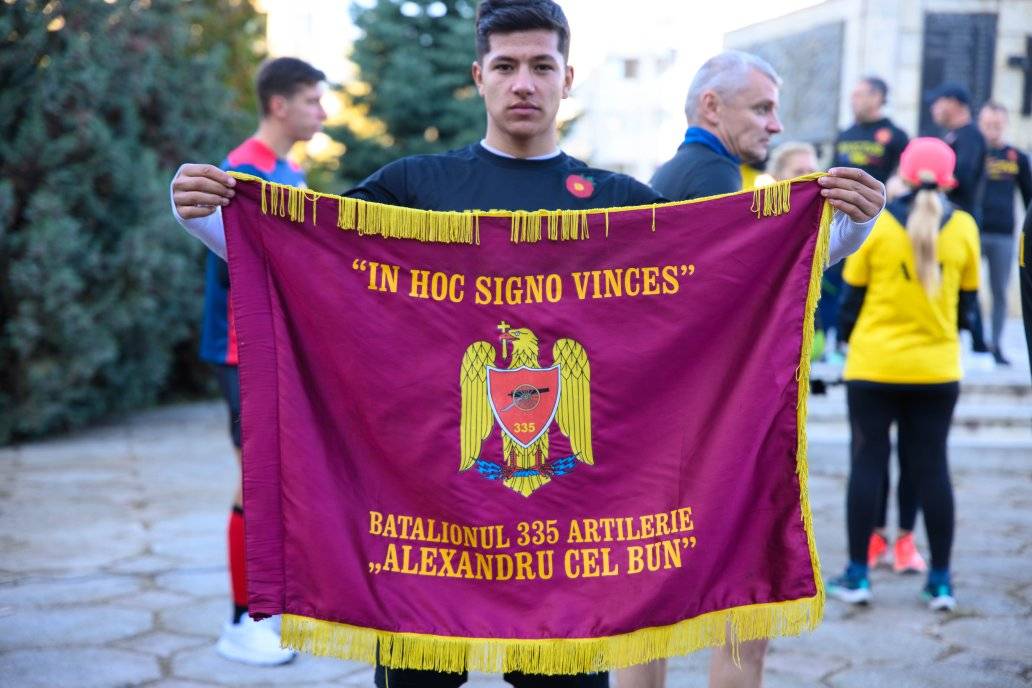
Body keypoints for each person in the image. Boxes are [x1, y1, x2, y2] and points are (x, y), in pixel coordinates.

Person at [172, 10, 884, 688]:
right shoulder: (413, 187)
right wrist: (210, 222)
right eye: (506, 65)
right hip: (426, 530)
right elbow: (311, 269)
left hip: (573, 551)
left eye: (542, 66)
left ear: (567, 78)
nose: (523, 83)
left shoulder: (616, 201)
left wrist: (844, 233)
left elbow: (729, 287)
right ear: (478, 76)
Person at [622, 51, 885, 688]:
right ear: (711, 107)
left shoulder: (673, 175)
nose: (775, 124)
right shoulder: (714, 179)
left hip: (661, 433)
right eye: (762, 108)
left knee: (644, 622)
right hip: (721, 436)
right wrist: (852, 231)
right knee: (745, 619)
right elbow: (753, 292)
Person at [200, 56, 327, 666]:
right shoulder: (240, 172)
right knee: (253, 479)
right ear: (279, 105)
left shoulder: (290, 172)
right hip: (240, 347)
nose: (322, 113)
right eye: (312, 101)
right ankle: (241, 622)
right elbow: (236, 267)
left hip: (280, 345)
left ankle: (269, 608)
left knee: (278, 479)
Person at [829, 137, 984, 614]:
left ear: (904, 172)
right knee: (933, 467)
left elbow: (850, 301)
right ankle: (940, 582)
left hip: (873, 365)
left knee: (867, 464)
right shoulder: (964, 227)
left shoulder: (876, 226)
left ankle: (858, 574)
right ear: (949, 177)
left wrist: (847, 341)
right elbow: (967, 307)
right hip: (936, 370)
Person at [977, 102, 1032, 366]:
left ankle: (996, 344)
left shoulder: (1016, 157)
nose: (992, 130)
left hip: (1003, 234)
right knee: (967, 288)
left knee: (999, 291)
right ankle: (974, 340)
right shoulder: (974, 153)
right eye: (988, 125)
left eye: (997, 125)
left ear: (1005, 125)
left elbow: (1028, 196)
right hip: (973, 231)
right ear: (980, 124)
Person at [928, 83, 987, 224]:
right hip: (950, 215)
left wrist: (929, 184)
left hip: (960, 217)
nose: (933, 108)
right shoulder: (955, 135)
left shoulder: (970, 135)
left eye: (937, 102)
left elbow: (962, 176)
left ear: (952, 103)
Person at [833, 77, 909, 185]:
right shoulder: (844, 135)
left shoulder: (897, 136)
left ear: (876, 97)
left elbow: (904, 176)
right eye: (853, 96)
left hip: (879, 195)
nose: (852, 101)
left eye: (858, 95)